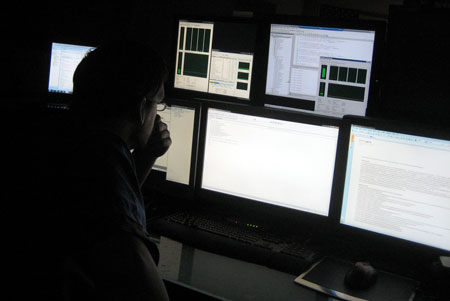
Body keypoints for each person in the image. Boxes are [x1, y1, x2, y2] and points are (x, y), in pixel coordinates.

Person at [45, 39, 171, 300]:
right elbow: (150, 295)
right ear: (140, 109)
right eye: (157, 103)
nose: (158, 114)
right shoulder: (104, 173)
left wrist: (147, 155)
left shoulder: (72, 141)